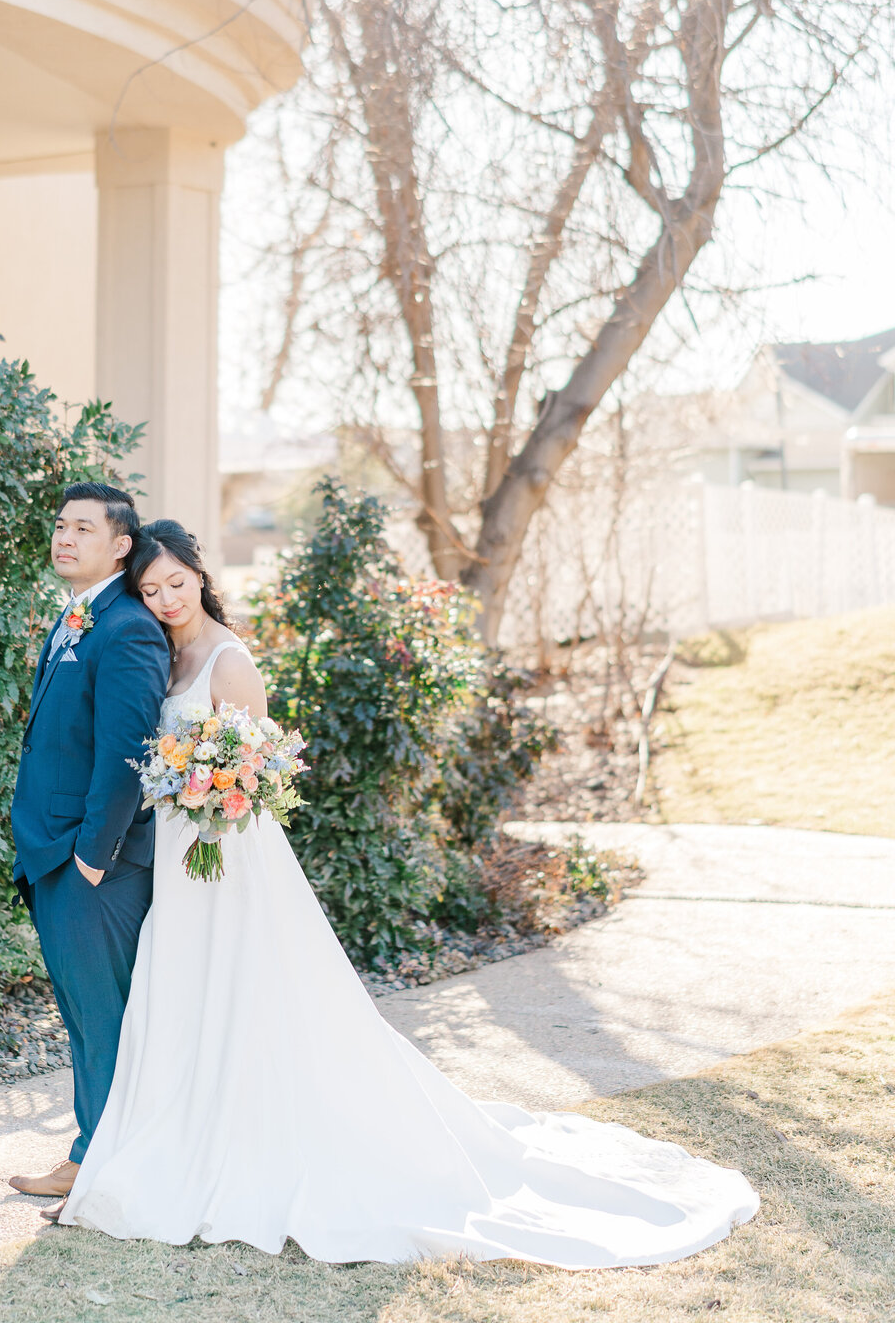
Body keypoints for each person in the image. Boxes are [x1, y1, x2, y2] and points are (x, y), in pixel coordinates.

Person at [48, 517, 759, 1267]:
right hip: (181, 863)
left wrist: (212, 785)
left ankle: (254, 1141)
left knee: (250, 994)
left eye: (176, 583)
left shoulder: (229, 660)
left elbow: (263, 770)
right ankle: (185, 1134)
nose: (164, 599)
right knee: (187, 997)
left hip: (231, 856)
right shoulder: (162, 655)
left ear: (200, 574)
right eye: (151, 589)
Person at [6, 482, 169, 1201]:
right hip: (50, 851)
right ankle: (97, 1153)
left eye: (82, 527)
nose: (63, 537)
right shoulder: (74, 619)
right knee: (83, 1015)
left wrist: (92, 860)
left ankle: (95, 1164)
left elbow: (127, 753)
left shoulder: (126, 626)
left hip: (93, 864)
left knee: (102, 1018)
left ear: (120, 543)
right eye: (60, 525)